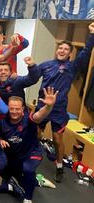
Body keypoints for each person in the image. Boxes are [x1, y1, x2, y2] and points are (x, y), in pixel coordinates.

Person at [36, 22, 94, 182]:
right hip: (42, 105)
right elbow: (32, 76)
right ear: (56, 51)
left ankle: (60, 166)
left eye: (66, 49)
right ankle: (30, 158)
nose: (61, 51)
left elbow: (87, 52)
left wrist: (92, 35)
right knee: (34, 133)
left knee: (57, 139)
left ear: (69, 54)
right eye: (60, 48)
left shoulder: (73, 67)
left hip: (58, 110)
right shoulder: (46, 65)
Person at [0, 88, 58, 203]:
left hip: (32, 153)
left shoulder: (29, 119)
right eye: (11, 108)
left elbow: (39, 116)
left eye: (17, 109)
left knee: (28, 170)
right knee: (8, 177)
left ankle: (27, 199)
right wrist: (0, 139)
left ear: (23, 110)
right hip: (15, 156)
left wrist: (48, 106)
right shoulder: (3, 121)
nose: (14, 111)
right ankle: (37, 180)